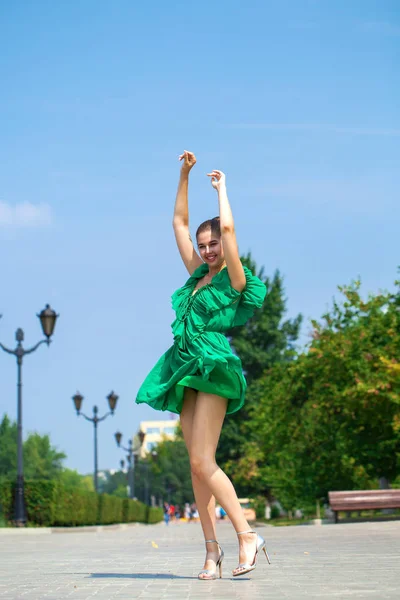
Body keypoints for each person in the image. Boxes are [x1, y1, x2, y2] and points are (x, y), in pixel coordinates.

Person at [136, 151, 270, 579]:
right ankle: (211, 550)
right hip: (186, 366)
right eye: (205, 245)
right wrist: (184, 175)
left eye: (214, 244)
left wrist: (221, 189)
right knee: (195, 464)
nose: (209, 250)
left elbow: (228, 227)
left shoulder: (235, 281)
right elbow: (177, 224)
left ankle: (247, 535)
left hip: (212, 366)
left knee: (204, 459)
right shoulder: (197, 276)